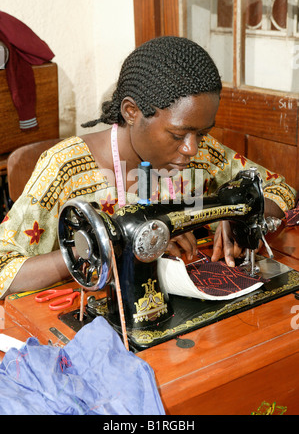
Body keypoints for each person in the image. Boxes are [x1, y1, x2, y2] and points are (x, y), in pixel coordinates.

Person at [0, 36, 296, 298]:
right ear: (131, 112)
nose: (191, 148)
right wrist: (108, 246)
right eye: (178, 135)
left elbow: (277, 188)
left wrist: (237, 220)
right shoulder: (65, 168)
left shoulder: (200, 153)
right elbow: (4, 269)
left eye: (202, 133)